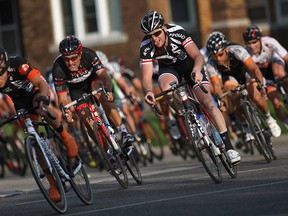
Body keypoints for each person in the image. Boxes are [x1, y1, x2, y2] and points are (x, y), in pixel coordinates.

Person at [139, 10, 241, 164]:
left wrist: (197, 70)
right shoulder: (146, 46)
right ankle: (187, 117)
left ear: (164, 29)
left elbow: (197, 56)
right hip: (169, 70)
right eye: (150, 35)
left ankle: (229, 147)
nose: (154, 38)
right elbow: (146, 76)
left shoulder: (177, 32)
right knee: (166, 90)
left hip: (190, 66)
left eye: (157, 33)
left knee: (208, 103)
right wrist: (147, 91)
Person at [0, 47, 78, 202]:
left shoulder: (18, 65)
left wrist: (43, 98)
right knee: (33, 138)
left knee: (41, 109)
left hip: (35, 91)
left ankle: (65, 135)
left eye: (1, 75)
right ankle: (52, 183)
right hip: (19, 101)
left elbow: (41, 83)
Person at [52, 35, 134, 154]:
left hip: (93, 81)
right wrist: (66, 111)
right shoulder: (58, 67)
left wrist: (109, 90)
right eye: (66, 59)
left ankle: (123, 131)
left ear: (80, 54)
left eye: (74, 58)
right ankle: (105, 151)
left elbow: (104, 76)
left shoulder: (89, 54)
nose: (70, 62)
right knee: (87, 121)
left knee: (101, 94)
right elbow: (62, 98)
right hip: (76, 89)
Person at [205, 32, 281, 144]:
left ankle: (269, 119)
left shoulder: (237, 51)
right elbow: (216, 86)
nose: (218, 59)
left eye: (220, 55)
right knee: (234, 98)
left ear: (226, 50)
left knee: (255, 96)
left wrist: (261, 85)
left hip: (245, 73)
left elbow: (254, 69)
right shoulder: (211, 64)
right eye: (214, 56)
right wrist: (221, 100)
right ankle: (246, 127)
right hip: (230, 78)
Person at [242, 24, 288, 129]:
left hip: (274, 62)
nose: (251, 46)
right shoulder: (245, 53)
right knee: (276, 102)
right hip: (262, 74)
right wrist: (262, 89)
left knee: (279, 73)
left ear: (260, 39)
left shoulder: (269, 42)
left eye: (254, 42)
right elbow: (253, 75)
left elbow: (286, 57)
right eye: (248, 43)